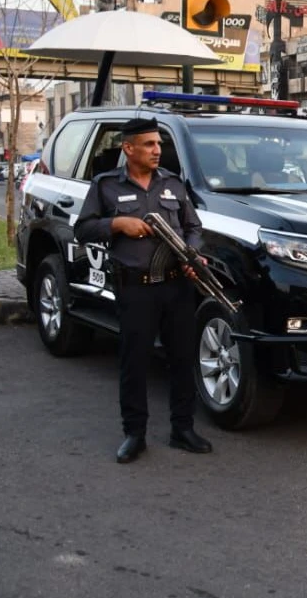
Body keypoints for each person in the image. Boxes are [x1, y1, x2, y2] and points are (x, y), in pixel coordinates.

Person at [74, 117, 213, 464]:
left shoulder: (172, 183)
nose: (157, 150)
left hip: (176, 286)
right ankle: (134, 434)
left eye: (159, 144)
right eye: (149, 144)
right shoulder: (105, 185)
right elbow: (84, 229)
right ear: (128, 148)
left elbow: (193, 226)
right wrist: (118, 223)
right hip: (136, 288)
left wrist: (191, 253)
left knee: (182, 359)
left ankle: (183, 429)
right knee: (134, 362)